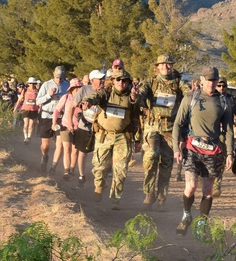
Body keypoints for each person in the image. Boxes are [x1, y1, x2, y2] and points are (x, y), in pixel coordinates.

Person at [172, 67, 235, 238]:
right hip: (193, 147)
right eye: (208, 80)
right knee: (191, 186)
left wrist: (230, 153)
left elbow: (229, 130)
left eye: (214, 80)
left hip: (213, 150)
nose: (211, 83)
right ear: (201, 80)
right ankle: (186, 216)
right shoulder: (191, 98)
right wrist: (176, 149)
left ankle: (202, 223)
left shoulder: (223, 102)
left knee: (207, 190)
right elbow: (178, 124)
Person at [85, 69, 141, 207]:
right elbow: (95, 97)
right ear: (113, 81)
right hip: (104, 135)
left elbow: (135, 118)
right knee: (99, 167)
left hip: (123, 137)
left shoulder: (131, 96)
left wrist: (137, 139)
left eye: (124, 80)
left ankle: (115, 198)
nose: (121, 83)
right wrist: (87, 102)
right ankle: (99, 185)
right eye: (118, 80)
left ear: (128, 82)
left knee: (120, 170)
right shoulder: (106, 93)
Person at [138, 54, 184, 210]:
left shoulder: (178, 83)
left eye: (169, 64)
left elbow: (188, 95)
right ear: (157, 66)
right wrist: (140, 100)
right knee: (151, 157)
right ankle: (149, 193)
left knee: (166, 164)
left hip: (171, 129)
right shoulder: (150, 82)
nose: (166, 66)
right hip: (153, 127)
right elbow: (141, 94)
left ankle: (162, 197)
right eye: (162, 64)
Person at [211, 76, 236, 198]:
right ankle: (206, 178)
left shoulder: (232, 100)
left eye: (224, 86)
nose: (221, 88)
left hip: (225, 133)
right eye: (219, 86)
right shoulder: (211, 98)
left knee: (221, 159)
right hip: (211, 133)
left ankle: (216, 186)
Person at [35, 66, 69, 172]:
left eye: (61, 78)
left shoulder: (67, 85)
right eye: (58, 77)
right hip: (47, 116)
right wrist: (49, 95)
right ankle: (44, 156)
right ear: (53, 74)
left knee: (60, 144)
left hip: (60, 117)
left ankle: (53, 167)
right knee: (45, 145)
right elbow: (37, 101)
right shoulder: (46, 85)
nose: (59, 79)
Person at [51, 78, 83, 180]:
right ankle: (66, 170)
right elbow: (57, 110)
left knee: (75, 150)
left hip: (79, 127)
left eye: (79, 87)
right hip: (65, 125)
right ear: (71, 89)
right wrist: (54, 122)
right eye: (76, 87)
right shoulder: (66, 97)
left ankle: (72, 170)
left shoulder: (84, 99)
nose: (78, 89)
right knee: (66, 149)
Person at [14, 78, 40, 143]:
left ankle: (29, 137)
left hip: (34, 110)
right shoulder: (25, 90)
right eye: (30, 83)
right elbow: (20, 100)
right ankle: (25, 137)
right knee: (26, 123)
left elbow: (40, 101)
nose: (32, 85)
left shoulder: (37, 91)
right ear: (28, 83)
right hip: (25, 109)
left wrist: (40, 108)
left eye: (33, 83)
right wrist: (15, 108)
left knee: (31, 125)